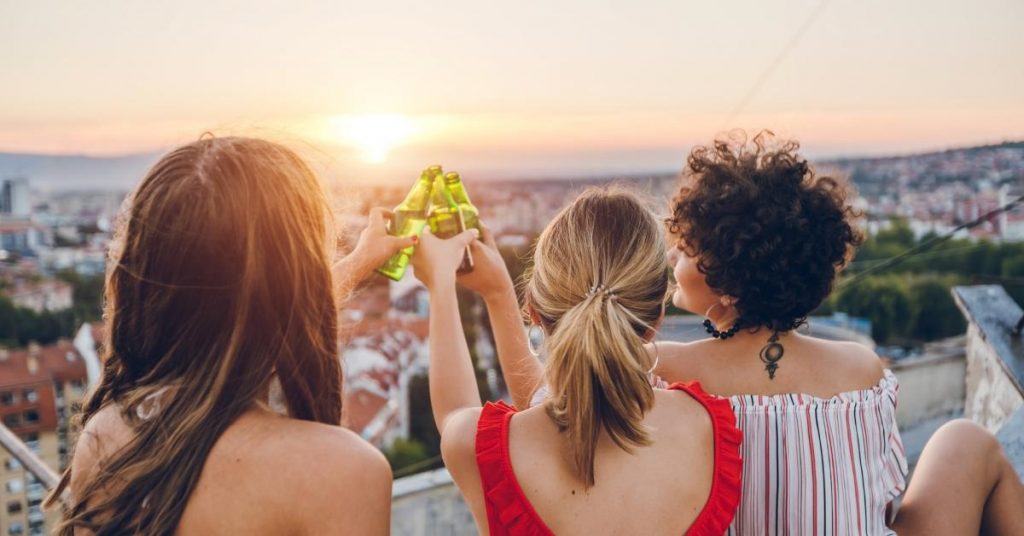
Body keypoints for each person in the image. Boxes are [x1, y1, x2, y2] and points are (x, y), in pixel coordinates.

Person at [495, 131, 1024, 535]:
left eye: (686, 248)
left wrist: (500, 296)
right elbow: (879, 502)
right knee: (965, 441)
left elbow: (551, 409)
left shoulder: (660, 371)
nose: (673, 258)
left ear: (725, 283)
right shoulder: (862, 369)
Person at [46, 136, 407, 535]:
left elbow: (243, 312)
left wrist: (356, 263)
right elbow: (269, 312)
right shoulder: (339, 471)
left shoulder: (107, 436)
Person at [412, 188, 743, 535]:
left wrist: (442, 284)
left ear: (535, 312)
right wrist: (497, 295)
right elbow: (570, 396)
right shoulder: (714, 430)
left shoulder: (481, 448)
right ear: (657, 316)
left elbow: (458, 412)